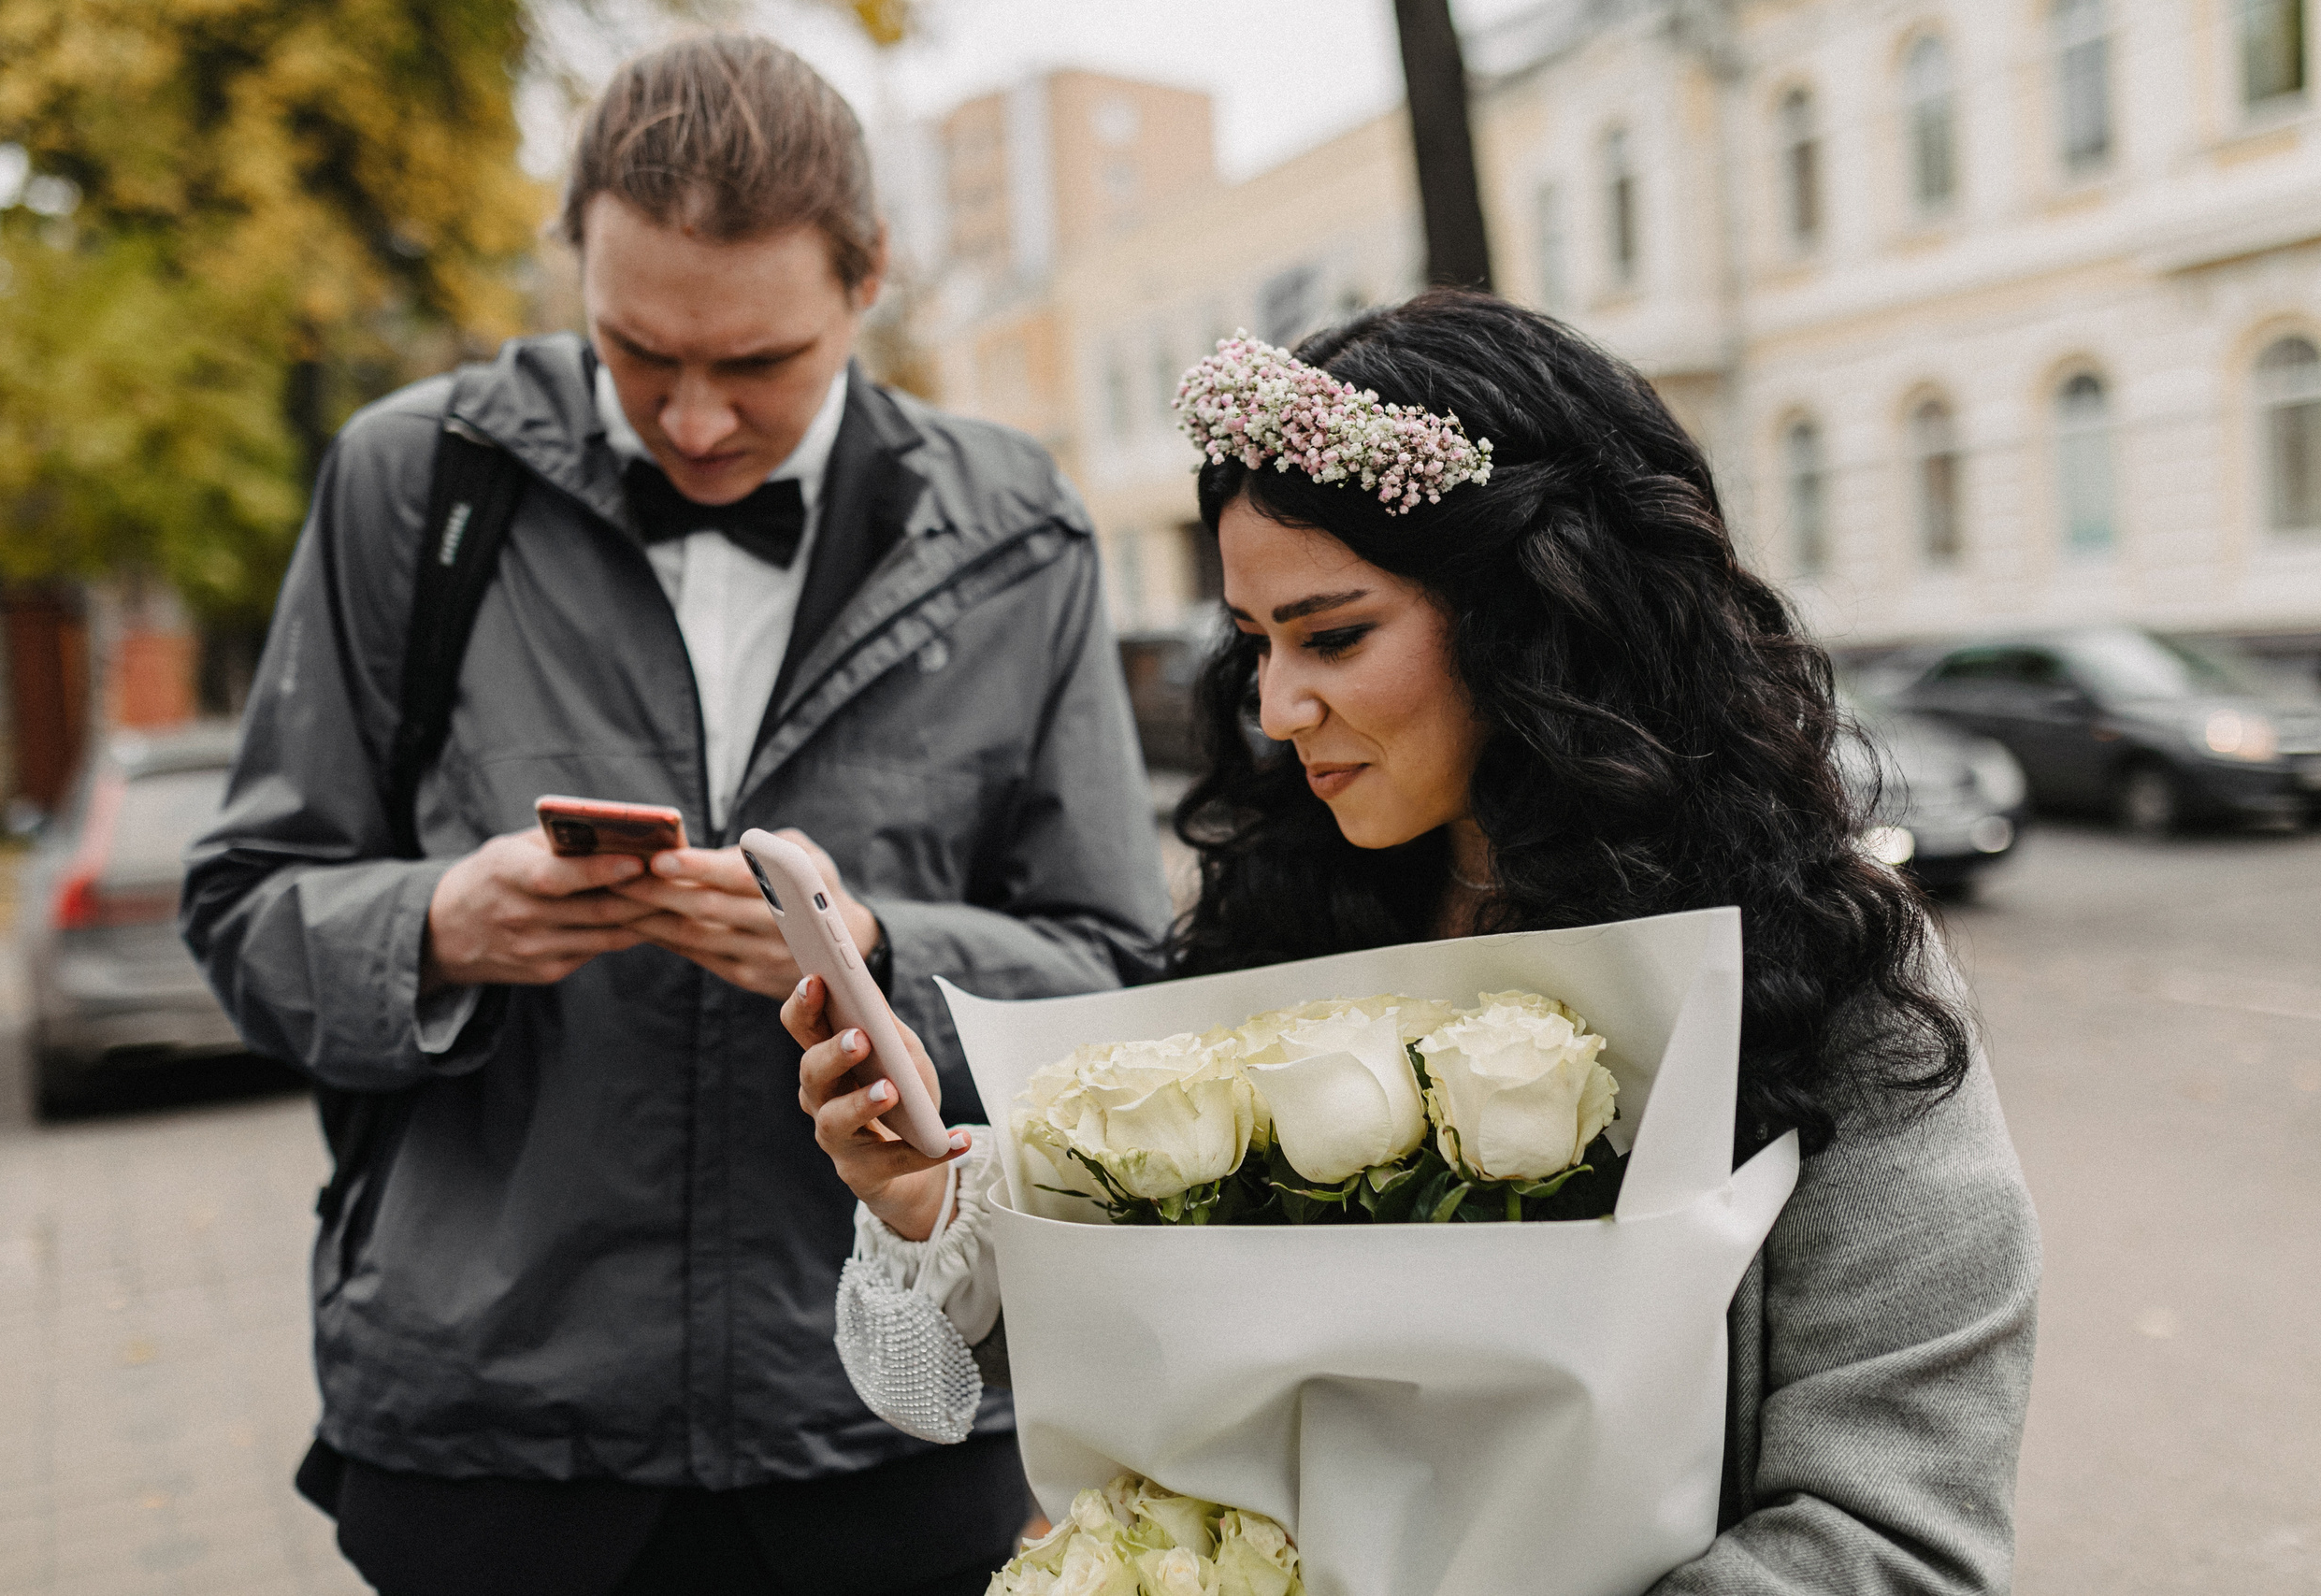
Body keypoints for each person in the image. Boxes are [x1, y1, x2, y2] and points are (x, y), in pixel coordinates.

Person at [787, 292, 2041, 1594]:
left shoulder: (1826, 963)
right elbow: (1016, 1379)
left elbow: (1899, 1542)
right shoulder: (1279, 919)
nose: (1277, 707)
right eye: (1256, 641)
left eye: (1334, 635)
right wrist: (942, 1211)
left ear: (1538, 615)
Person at [181, 33, 1169, 1596]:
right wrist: (438, 930)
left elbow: (1116, 974)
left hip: (895, 1430)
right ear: (574, 264)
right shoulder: (408, 484)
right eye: (639, 352)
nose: (696, 421)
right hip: (491, 1430)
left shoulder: (1019, 524)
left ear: (870, 282)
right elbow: (242, 908)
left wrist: (875, 953)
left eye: (757, 365)